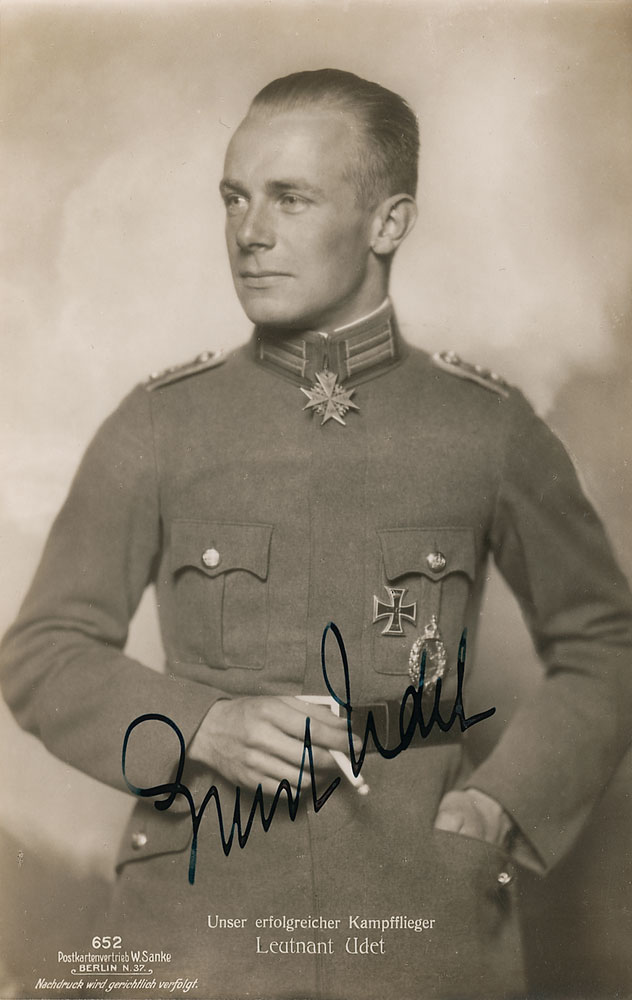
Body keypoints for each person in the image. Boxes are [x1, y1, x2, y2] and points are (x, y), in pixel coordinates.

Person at [1, 69, 631, 1000]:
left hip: (420, 925)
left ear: (389, 223)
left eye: (290, 199)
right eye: (234, 198)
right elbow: (43, 649)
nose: (249, 233)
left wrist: (502, 806)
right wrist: (203, 724)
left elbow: (607, 642)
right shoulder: (159, 423)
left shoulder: (486, 427)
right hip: (197, 927)